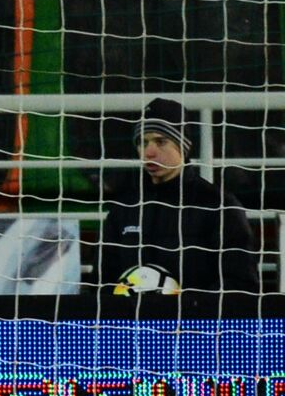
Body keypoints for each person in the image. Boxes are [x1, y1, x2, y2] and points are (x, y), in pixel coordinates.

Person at [98, 97, 259, 307]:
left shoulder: (219, 205)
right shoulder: (123, 208)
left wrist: (188, 306)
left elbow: (242, 285)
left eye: (161, 141)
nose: (149, 152)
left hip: (197, 331)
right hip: (131, 329)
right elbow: (100, 284)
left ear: (183, 145)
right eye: (143, 142)